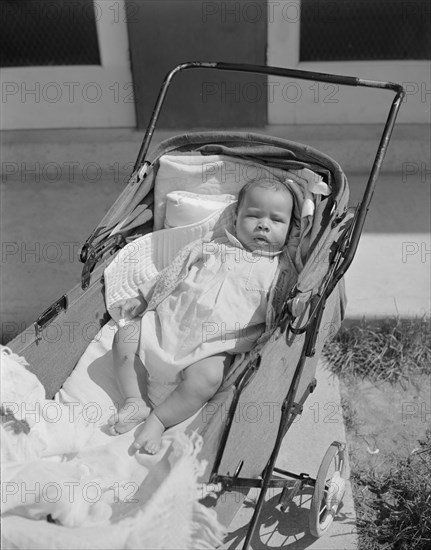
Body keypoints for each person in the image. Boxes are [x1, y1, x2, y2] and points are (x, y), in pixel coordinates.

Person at [107, 177, 294, 454]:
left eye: (276, 221)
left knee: (207, 378)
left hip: (210, 348)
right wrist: (143, 298)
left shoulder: (278, 272)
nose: (263, 225)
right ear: (235, 218)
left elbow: (280, 311)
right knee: (124, 335)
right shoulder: (211, 247)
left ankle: (159, 420)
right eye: (253, 215)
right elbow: (170, 274)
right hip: (164, 328)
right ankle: (135, 400)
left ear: (291, 230)